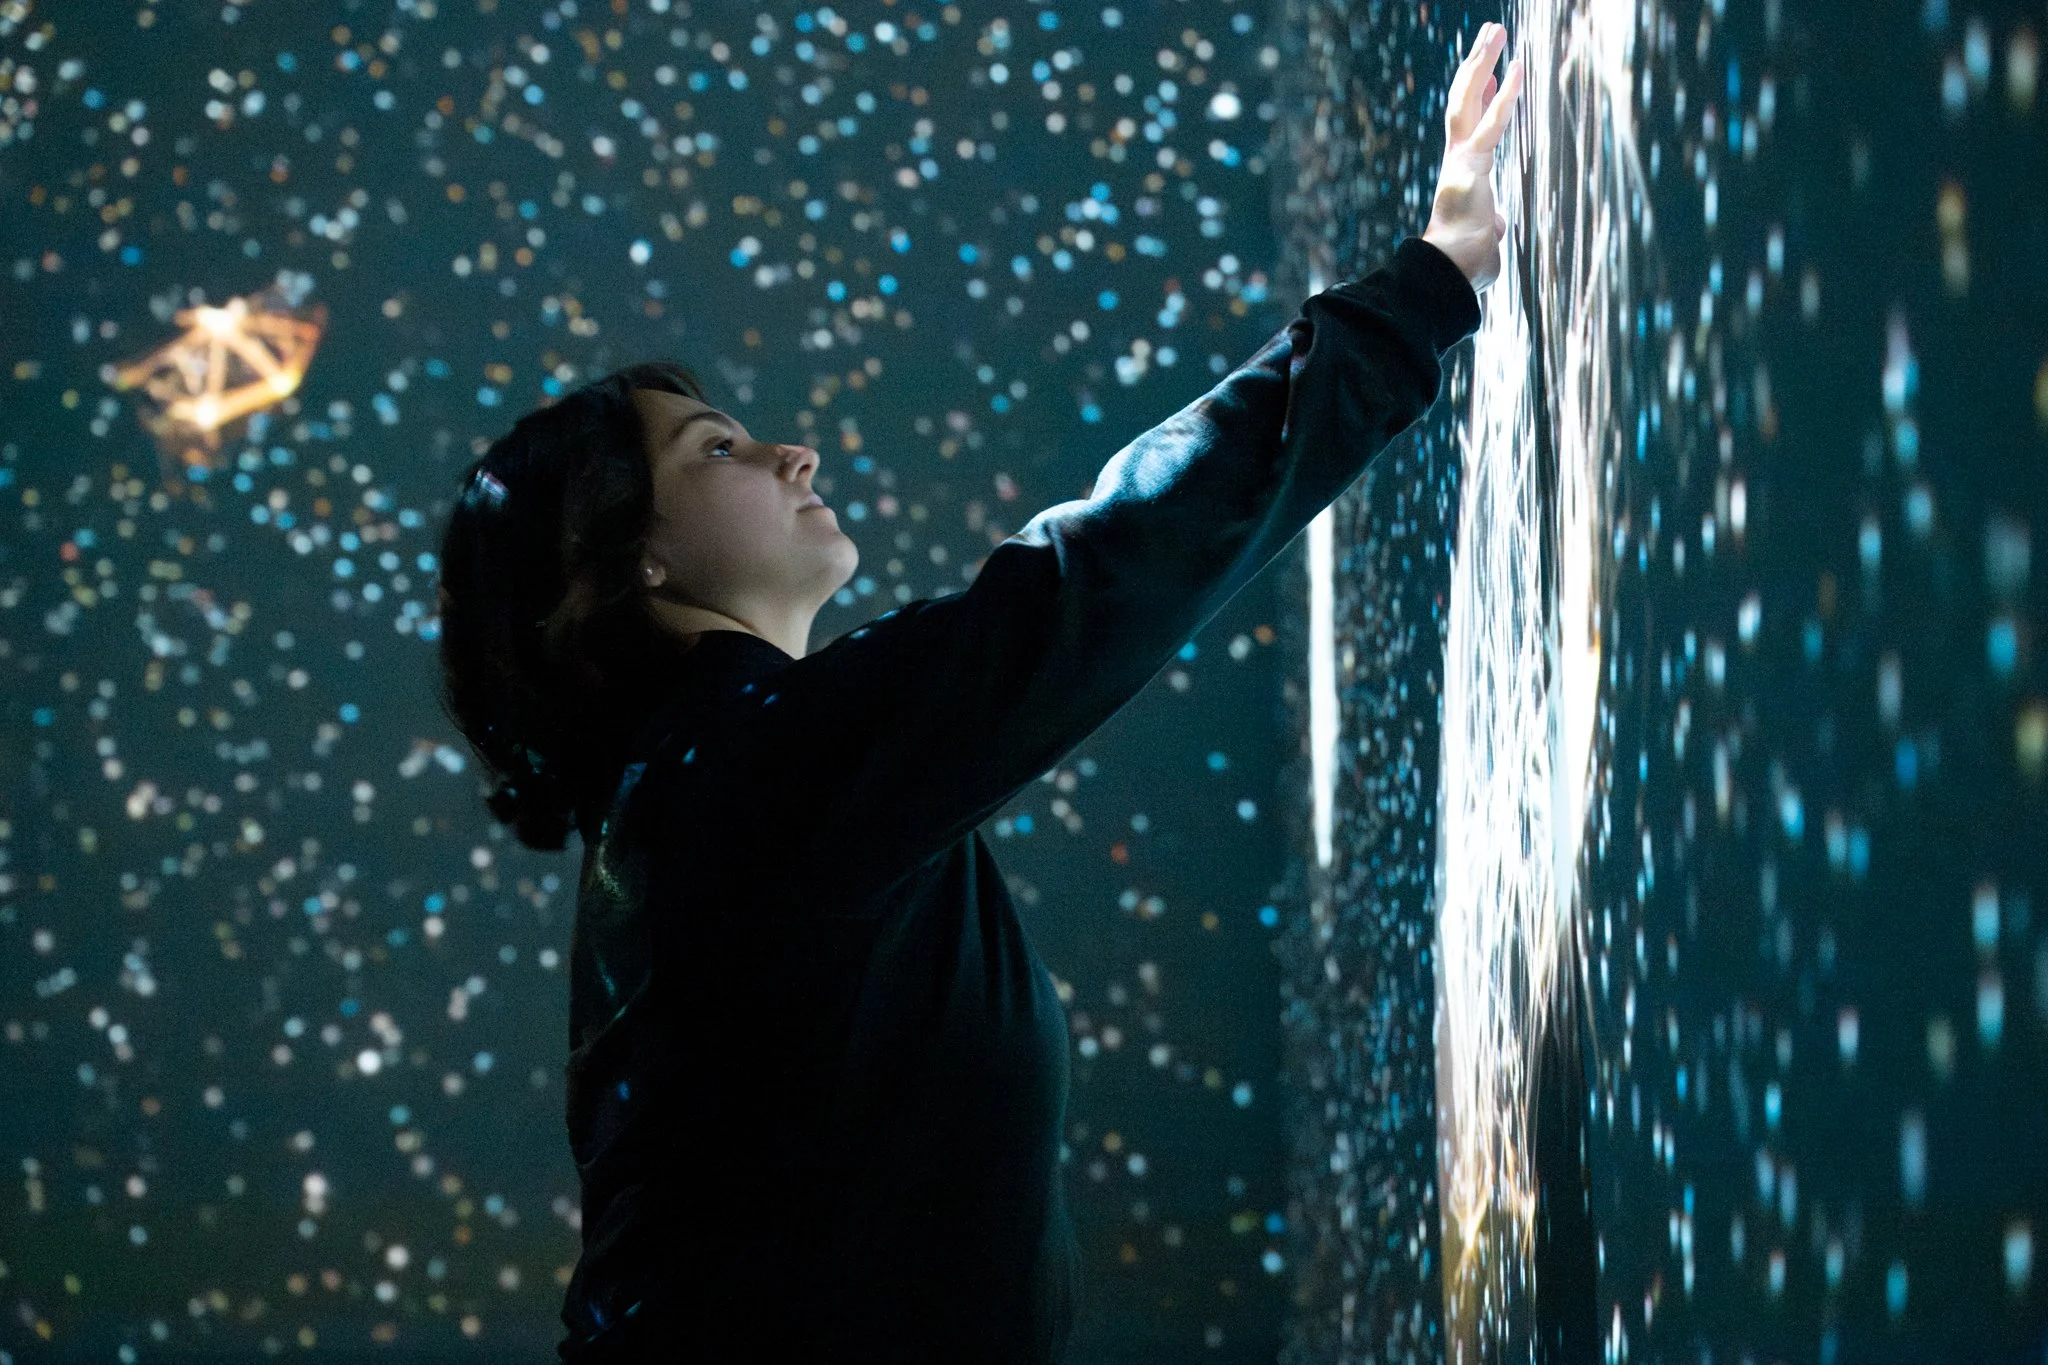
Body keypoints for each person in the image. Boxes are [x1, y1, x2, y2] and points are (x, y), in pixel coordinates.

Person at [434, 22, 1520, 1363]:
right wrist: (1431, 281)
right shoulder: (745, 777)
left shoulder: (719, 788)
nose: (791, 450)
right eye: (718, 447)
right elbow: (1101, 575)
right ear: (629, 560)